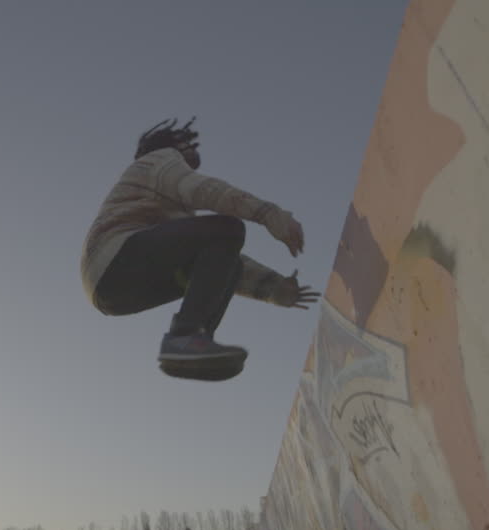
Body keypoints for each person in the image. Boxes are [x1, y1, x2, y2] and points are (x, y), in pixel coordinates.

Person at [81, 117, 319, 368]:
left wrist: (273, 288)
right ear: (174, 143)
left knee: (228, 259)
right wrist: (267, 213)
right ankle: (185, 336)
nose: (194, 149)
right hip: (118, 258)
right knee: (228, 228)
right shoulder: (158, 159)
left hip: (113, 294)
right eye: (188, 143)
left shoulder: (164, 207)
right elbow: (202, 189)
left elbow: (220, 264)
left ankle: (190, 346)